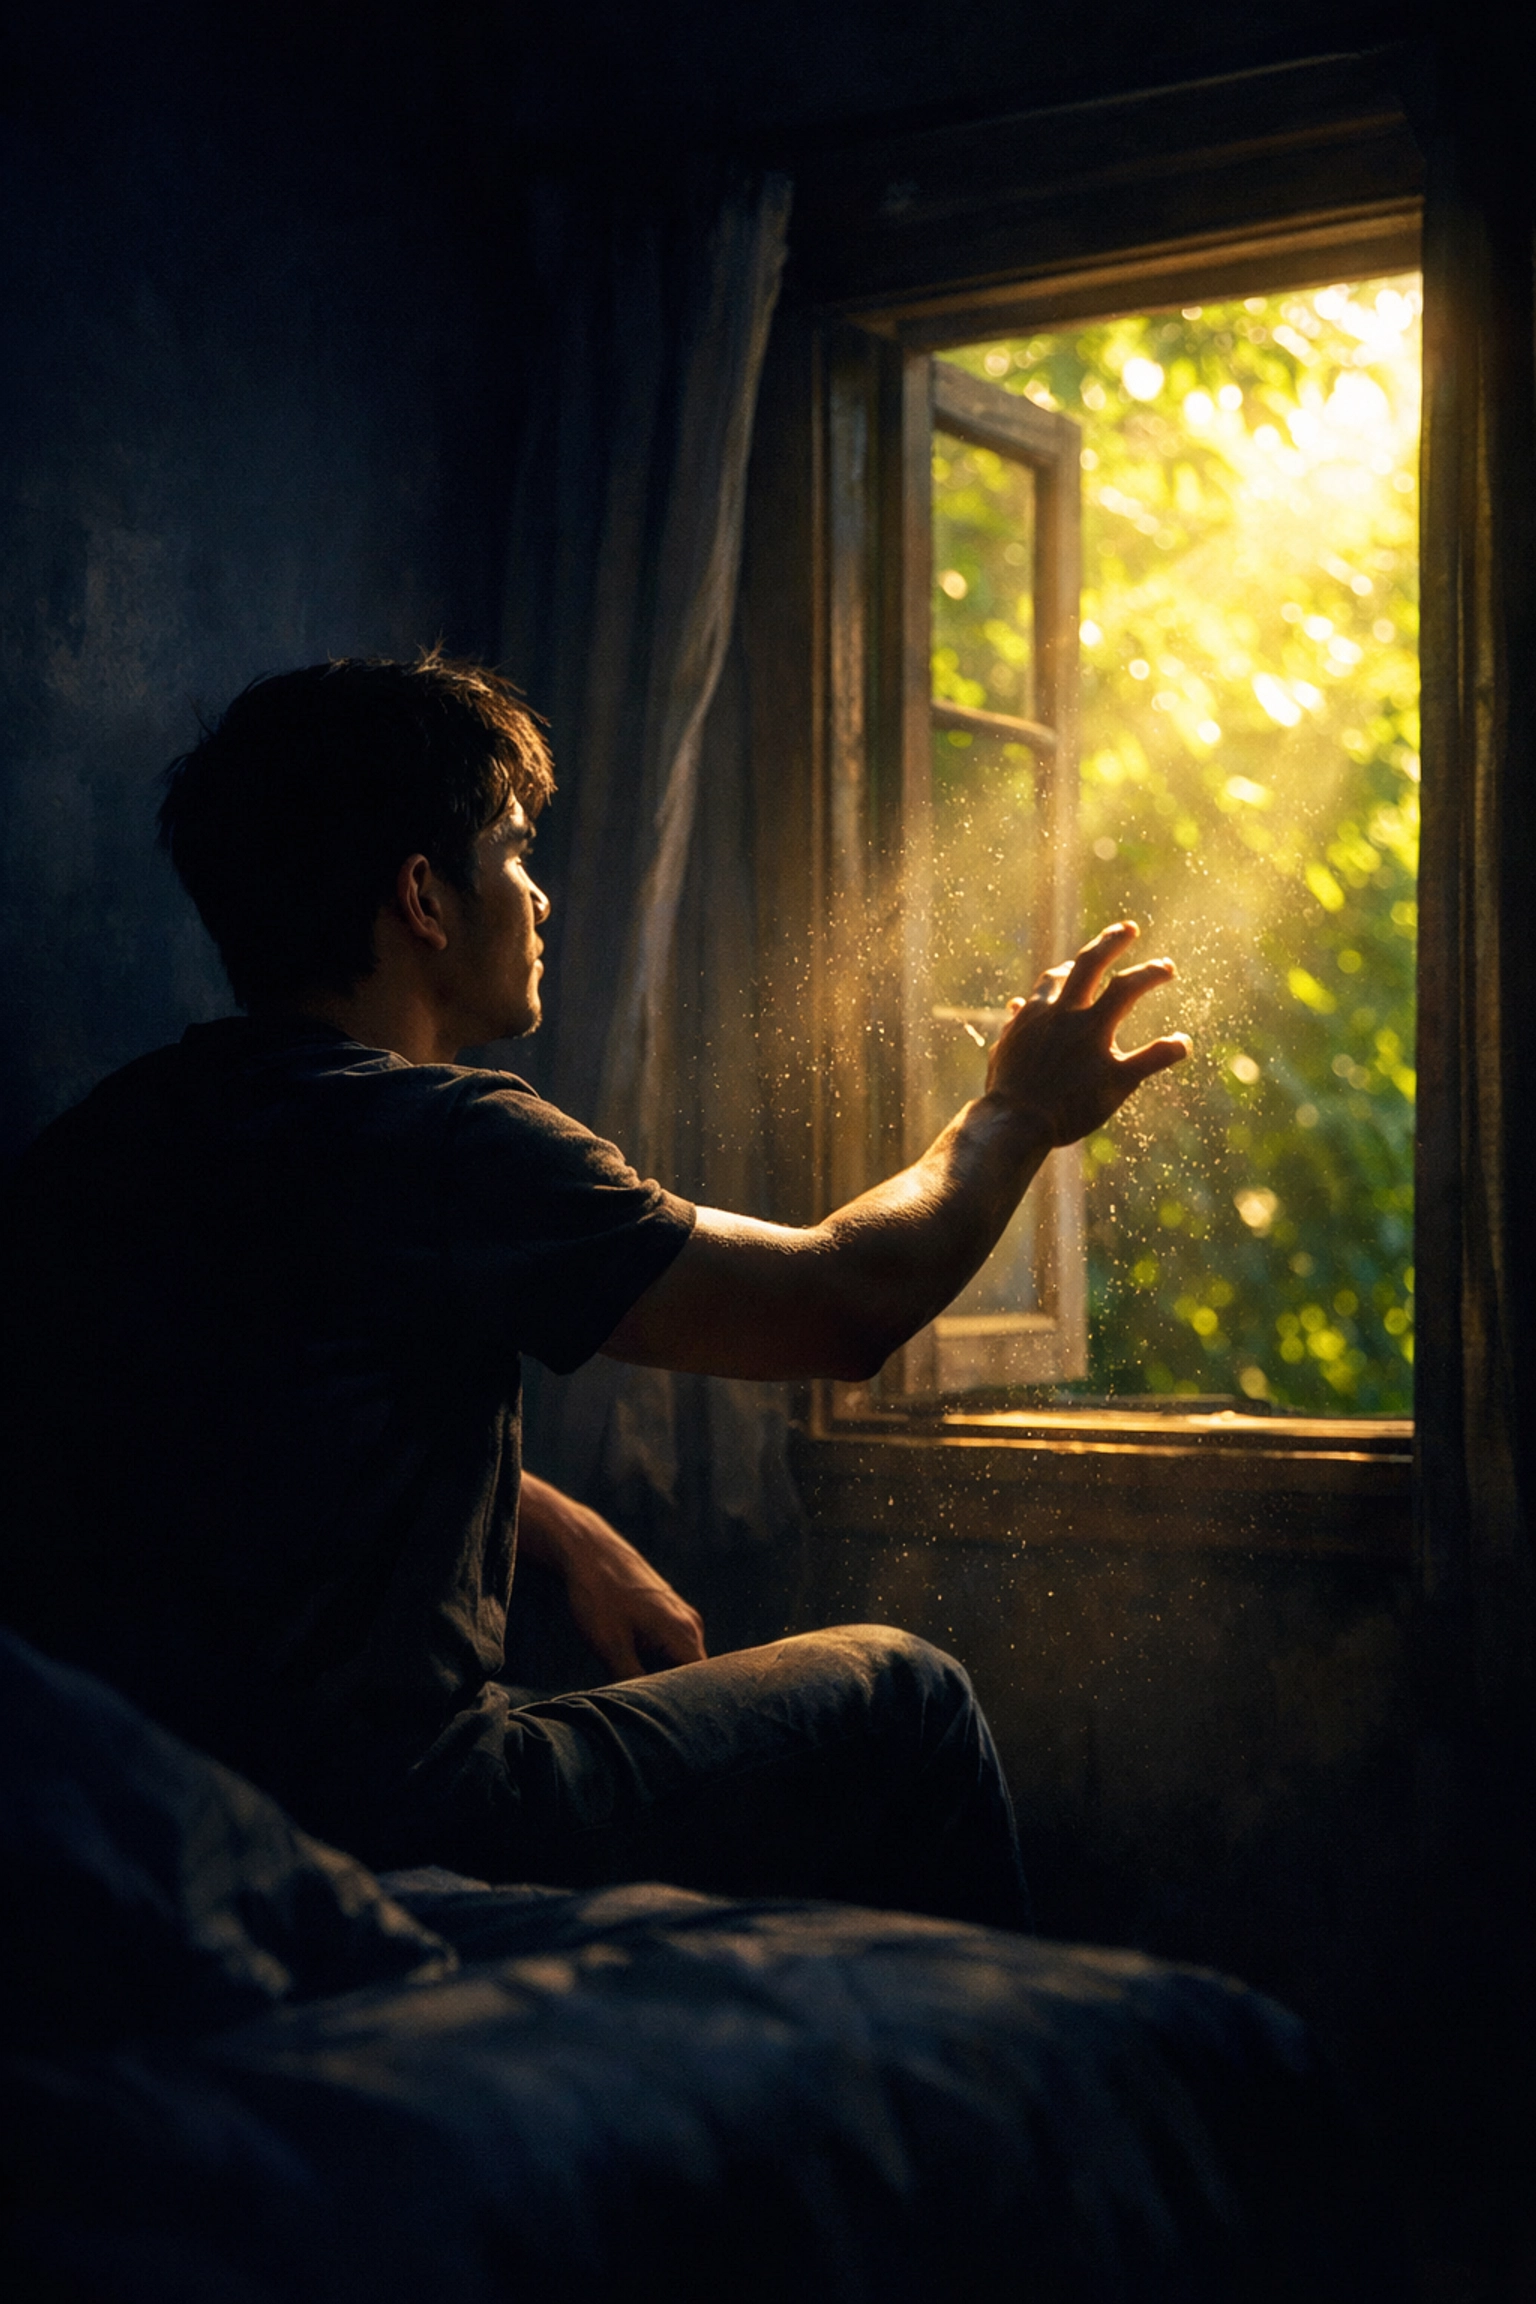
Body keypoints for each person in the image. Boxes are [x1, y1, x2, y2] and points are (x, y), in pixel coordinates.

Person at [0, 652, 1188, 1929]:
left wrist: (565, 1529)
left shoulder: (112, 1139)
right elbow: (845, 1302)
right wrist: (1013, 1112)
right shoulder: (448, 1143)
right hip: (399, 1806)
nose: (543, 896)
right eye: (513, 853)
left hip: (151, 1818)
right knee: (907, 1696)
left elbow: (252, 1433)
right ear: (423, 898)